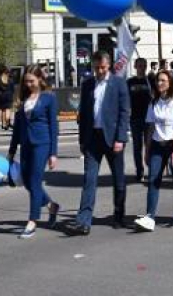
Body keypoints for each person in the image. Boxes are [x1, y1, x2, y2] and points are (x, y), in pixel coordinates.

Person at [67, 51, 131, 235]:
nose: (100, 71)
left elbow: (124, 112)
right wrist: (82, 141)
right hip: (92, 139)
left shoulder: (118, 83)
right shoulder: (87, 84)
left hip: (112, 138)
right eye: (96, 67)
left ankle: (119, 215)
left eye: (102, 67)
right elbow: (84, 115)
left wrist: (121, 138)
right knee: (89, 179)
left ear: (108, 65)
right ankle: (83, 220)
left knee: (119, 180)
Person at [7, 65, 60, 239]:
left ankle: (32, 221)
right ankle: (51, 206)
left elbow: (54, 126)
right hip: (25, 144)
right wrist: (12, 150)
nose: (28, 84)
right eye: (26, 81)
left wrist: (53, 153)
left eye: (32, 81)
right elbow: (17, 127)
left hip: (42, 144)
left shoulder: (49, 98)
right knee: (28, 182)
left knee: (35, 181)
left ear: (40, 80)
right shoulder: (23, 99)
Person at [135, 70, 173, 231]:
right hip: (157, 145)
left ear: (170, 82)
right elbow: (151, 127)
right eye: (158, 80)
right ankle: (150, 216)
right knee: (153, 179)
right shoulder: (154, 103)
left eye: (163, 80)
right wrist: (147, 150)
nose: (159, 83)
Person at [127, 57, 155, 182]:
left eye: (144, 66)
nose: (141, 68)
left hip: (149, 118)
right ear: (135, 66)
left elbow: (156, 96)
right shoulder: (130, 82)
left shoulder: (150, 80)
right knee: (137, 147)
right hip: (135, 118)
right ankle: (139, 171)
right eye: (139, 66)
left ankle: (152, 170)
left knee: (149, 145)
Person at [0, 66, 15, 131]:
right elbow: (13, 89)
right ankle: (6, 124)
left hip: (0, 96)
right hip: (8, 96)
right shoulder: (10, 80)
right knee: (7, 110)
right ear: (7, 73)